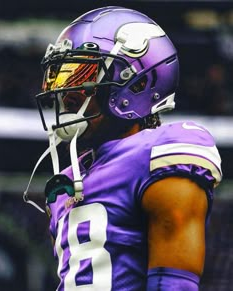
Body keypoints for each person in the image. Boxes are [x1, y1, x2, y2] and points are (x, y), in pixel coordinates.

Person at [24, 6, 222, 290]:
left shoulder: (161, 152)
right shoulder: (67, 181)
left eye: (80, 77)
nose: (65, 94)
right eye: (60, 77)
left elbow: (174, 284)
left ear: (138, 82)